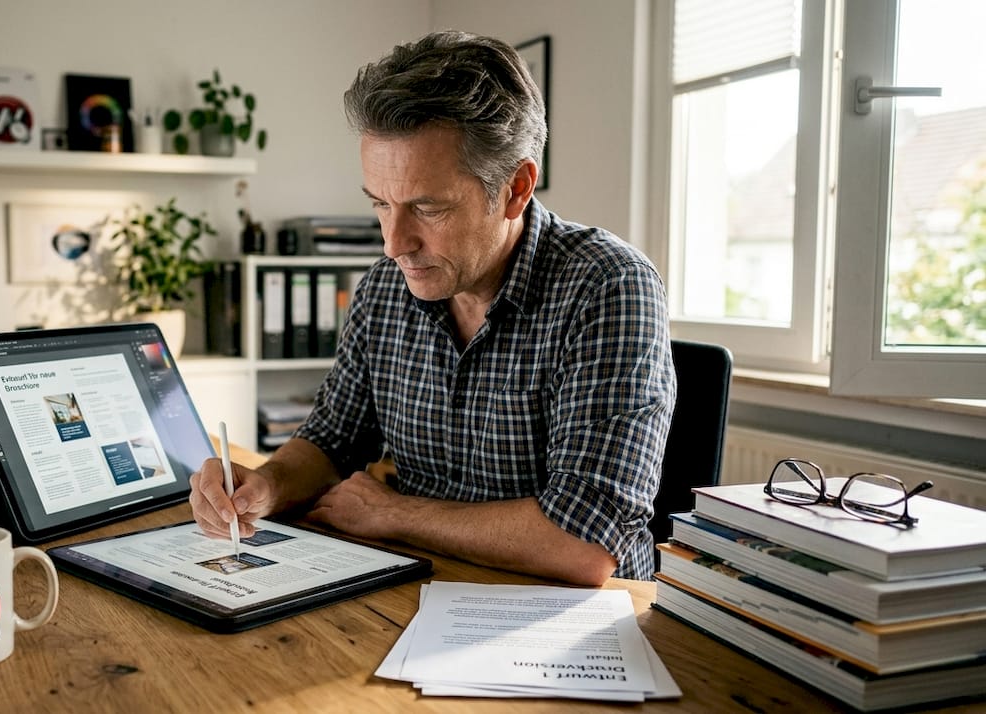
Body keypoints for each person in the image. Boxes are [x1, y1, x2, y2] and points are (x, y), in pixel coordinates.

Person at [190, 30, 676, 585]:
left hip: (575, 623)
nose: (394, 244)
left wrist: (393, 514)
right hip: (425, 585)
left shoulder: (608, 286)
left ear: (516, 188)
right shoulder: (384, 289)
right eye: (380, 204)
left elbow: (584, 544)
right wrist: (266, 485)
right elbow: (330, 441)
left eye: (427, 208)